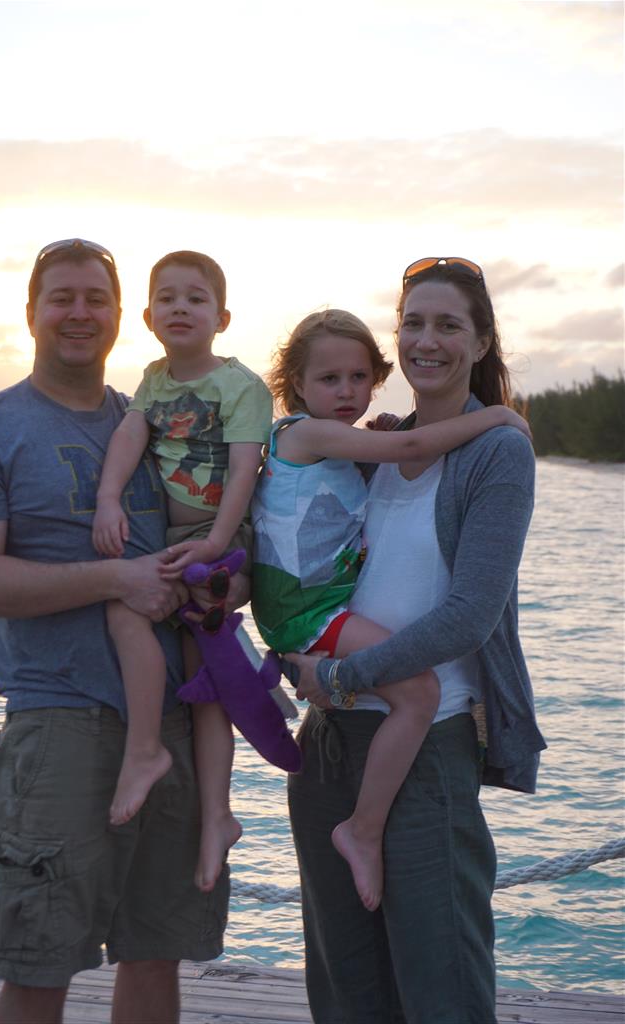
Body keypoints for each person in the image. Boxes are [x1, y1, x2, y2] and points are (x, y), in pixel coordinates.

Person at [0, 239, 240, 1024]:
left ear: (119, 316)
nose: (79, 313)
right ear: (31, 313)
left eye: (95, 299)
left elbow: (226, 526)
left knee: (155, 954)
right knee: (39, 963)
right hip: (57, 724)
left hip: (172, 722)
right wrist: (117, 579)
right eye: (62, 298)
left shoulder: (158, 421)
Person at [284, 259, 547, 1024]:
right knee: (346, 993)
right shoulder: (370, 447)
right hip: (327, 747)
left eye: (447, 325)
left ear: (480, 341)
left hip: (427, 750)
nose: (425, 340)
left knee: (442, 991)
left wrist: (343, 675)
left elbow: (469, 615)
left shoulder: (497, 451)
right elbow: (298, 560)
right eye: (411, 323)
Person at [251, 308, 531, 912]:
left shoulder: (337, 448)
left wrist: (375, 438)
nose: (347, 392)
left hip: (306, 610)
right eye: (330, 379)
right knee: (420, 693)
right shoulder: (304, 433)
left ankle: (363, 827)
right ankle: (364, 829)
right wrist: (498, 416)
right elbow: (409, 444)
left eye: (358, 378)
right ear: (296, 383)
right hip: (309, 613)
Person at [92, 250, 272, 891]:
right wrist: (108, 498)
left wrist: (217, 542)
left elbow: (245, 467)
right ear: (147, 317)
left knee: (127, 610)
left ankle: (148, 755)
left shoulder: (241, 386)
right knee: (204, 681)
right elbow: (129, 437)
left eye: (195, 298)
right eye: (166, 298)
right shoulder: (153, 380)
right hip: (174, 541)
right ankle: (217, 817)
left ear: (221, 318)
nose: (180, 308)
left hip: (219, 537)